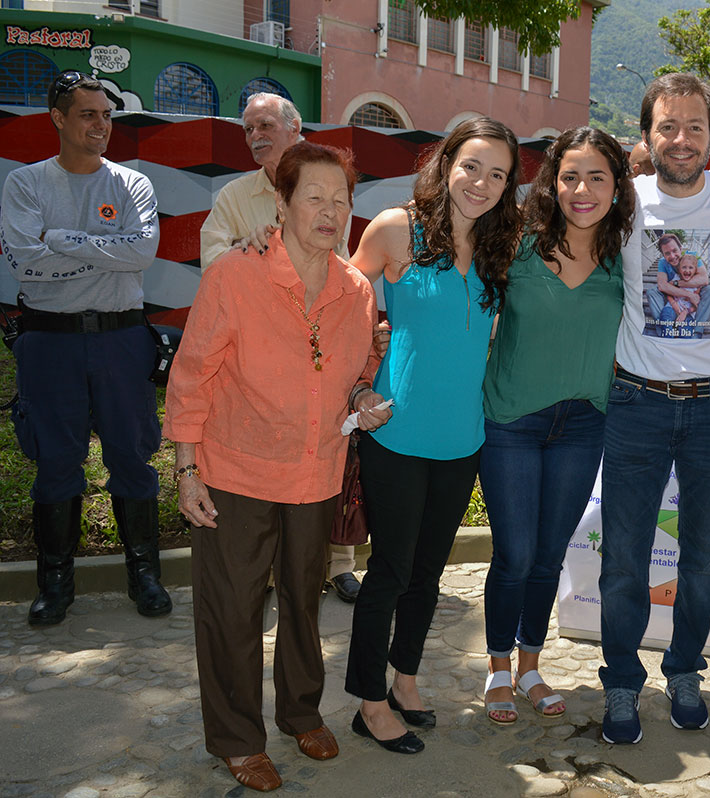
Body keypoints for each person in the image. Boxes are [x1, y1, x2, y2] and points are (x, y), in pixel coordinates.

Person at [164, 142, 386, 793]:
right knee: (231, 610)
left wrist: (366, 398)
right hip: (234, 474)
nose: (329, 211)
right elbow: (192, 375)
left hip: (314, 476)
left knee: (303, 601)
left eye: (340, 199)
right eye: (313, 196)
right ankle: (236, 738)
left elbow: (354, 378)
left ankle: (300, 712)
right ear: (282, 204)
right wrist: (187, 469)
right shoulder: (236, 274)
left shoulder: (355, 288)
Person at [597, 72, 710, 745]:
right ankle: (620, 679)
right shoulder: (621, 202)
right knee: (623, 556)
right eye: (668, 127)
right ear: (647, 135)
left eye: (695, 127)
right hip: (636, 404)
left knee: (703, 558)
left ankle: (684, 670)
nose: (682, 140)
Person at [344, 117, 521, 752]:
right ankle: (368, 700)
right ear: (447, 163)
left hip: (462, 440)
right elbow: (341, 302)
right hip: (397, 431)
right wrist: (358, 387)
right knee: (389, 572)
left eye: (498, 174)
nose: (482, 182)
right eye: (472, 165)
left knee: (428, 574)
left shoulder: (505, 246)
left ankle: (405, 678)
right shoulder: (395, 227)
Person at [2, 70, 171, 626]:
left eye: (107, 115)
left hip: (122, 340)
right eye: (88, 115)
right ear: (58, 118)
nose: (102, 125)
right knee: (56, 461)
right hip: (49, 344)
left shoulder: (132, 185)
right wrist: (105, 251)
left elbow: (142, 252)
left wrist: (65, 241)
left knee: (132, 456)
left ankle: (144, 575)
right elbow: (27, 264)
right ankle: (55, 584)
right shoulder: (25, 185)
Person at [479, 127, 633, 724]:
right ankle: (496, 669)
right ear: (552, 181)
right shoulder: (513, 240)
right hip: (511, 421)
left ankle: (531, 666)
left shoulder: (628, 253)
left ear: (617, 186)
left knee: (548, 557)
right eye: (571, 176)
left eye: (598, 176)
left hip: (583, 423)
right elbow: (444, 233)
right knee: (514, 555)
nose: (582, 189)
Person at [198, 91, 360, 602]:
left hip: (317, 346)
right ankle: (265, 571)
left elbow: (338, 259)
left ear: (295, 129)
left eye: (265, 124)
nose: (255, 136)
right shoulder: (233, 196)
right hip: (259, 350)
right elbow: (214, 263)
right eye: (248, 129)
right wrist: (256, 251)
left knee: (320, 455)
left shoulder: (329, 180)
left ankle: (337, 564)